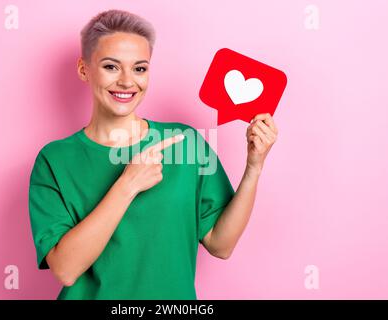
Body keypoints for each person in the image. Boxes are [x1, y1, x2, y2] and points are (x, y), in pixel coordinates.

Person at [28, 9, 278, 300]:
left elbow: (221, 245)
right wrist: (128, 184)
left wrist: (254, 167)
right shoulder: (55, 160)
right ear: (84, 70)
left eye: (139, 68)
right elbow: (66, 269)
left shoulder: (184, 143)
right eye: (111, 67)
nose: (126, 82)